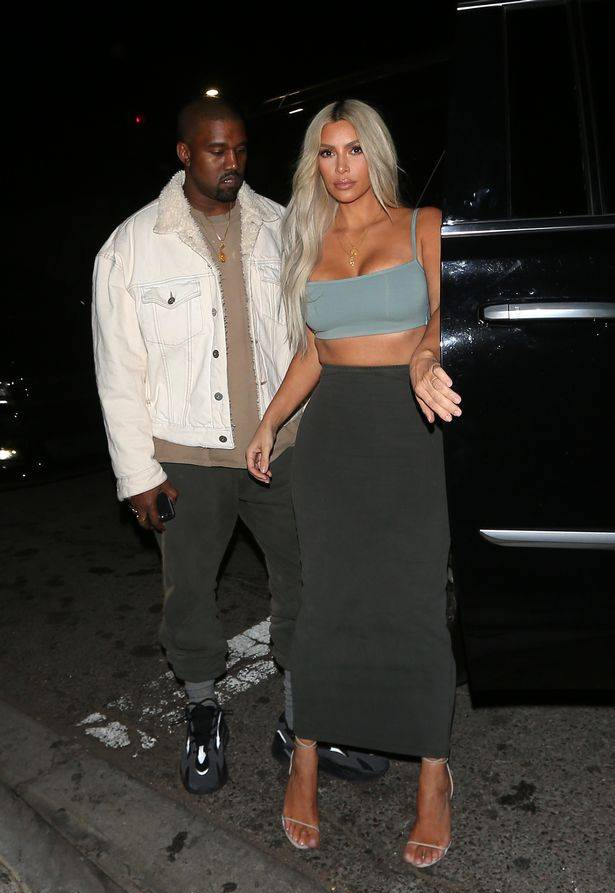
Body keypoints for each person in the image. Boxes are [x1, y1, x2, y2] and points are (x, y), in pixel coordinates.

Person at [92, 97, 388, 796]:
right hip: (187, 456)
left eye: (241, 149)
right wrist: (138, 474)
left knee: (306, 581)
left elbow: (313, 340)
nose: (232, 162)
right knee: (190, 593)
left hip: (280, 447)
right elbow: (118, 369)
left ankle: (302, 723)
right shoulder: (132, 246)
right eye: (216, 150)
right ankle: (203, 712)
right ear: (184, 153)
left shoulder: (281, 227)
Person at [246, 99, 460, 868]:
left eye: (354, 150)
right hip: (332, 438)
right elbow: (312, 352)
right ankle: (304, 758)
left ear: (376, 153)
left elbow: (445, 317)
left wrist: (425, 354)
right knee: (327, 601)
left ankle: (432, 773)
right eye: (327, 153)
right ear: (315, 163)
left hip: (410, 431)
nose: (341, 167)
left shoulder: (424, 225)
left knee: (414, 601)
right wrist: (269, 421)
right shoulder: (308, 242)